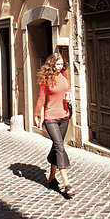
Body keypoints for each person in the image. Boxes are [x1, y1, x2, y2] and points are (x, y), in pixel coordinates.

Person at [34, 52, 75, 198]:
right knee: (59, 146)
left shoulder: (64, 76)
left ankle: (52, 178)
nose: (60, 66)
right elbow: (41, 98)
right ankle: (66, 183)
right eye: (57, 64)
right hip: (51, 117)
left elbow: (68, 90)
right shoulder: (47, 79)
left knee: (56, 145)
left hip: (64, 116)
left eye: (62, 64)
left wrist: (69, 95)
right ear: (52, 65)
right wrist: (38, 115)